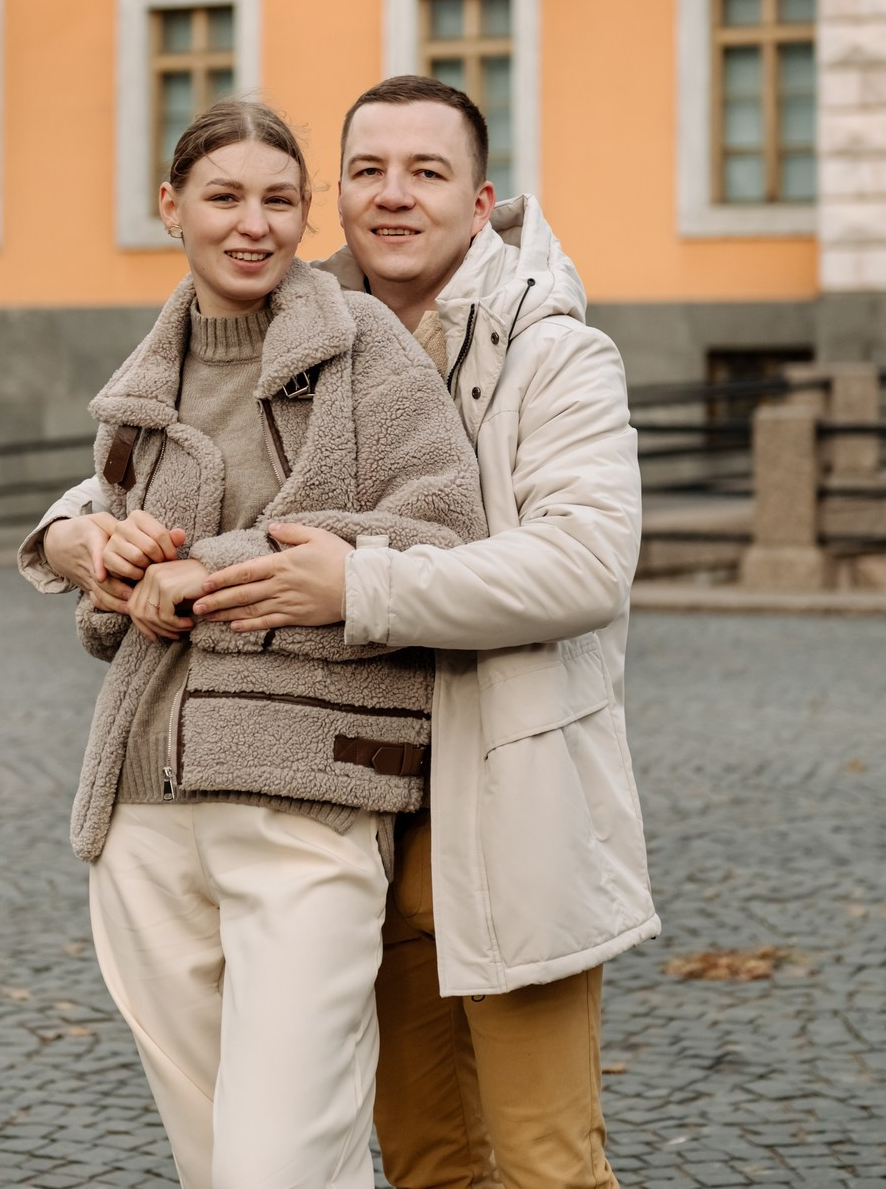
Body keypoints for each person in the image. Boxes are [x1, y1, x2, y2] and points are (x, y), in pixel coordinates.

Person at [191, 76, 658, 1189]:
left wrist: (363, 586)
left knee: (547, 1164)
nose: (392, 196)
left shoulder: (553, 351)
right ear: (335, 196)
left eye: (426, 171)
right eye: (367, 171)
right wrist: (67, 532)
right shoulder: (299, 336)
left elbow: (585, 561)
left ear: (482, 196)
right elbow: (158, 457)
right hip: (356, 818)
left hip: (511, 806)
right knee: (423, 1160)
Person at [18, 98, 486, 1189]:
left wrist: (208, 566)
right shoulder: (144, 385)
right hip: (142, 808)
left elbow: (443, 527)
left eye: (280, 200)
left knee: (278, 1162)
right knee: (212, 1160)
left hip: (306, 799)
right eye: (224, 197)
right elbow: (111, 590)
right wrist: (110, 561)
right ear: (170, 207)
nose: (254, 225)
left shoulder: (362, 344)